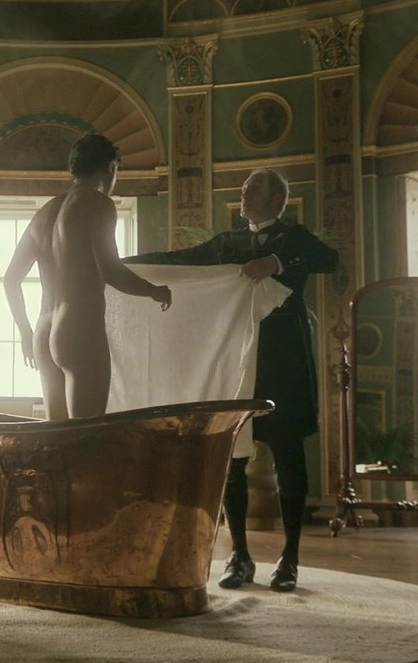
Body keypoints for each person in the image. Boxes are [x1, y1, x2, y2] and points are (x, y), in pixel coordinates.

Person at [124, 169, 338, 592]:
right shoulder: (227, 243)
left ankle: (290, 558)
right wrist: (124, 265)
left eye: (254, 187)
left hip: (285, 362)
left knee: (288, 454)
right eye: (244, 187)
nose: (244, 191)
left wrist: (275, 263)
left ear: (277, 200)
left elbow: (329, 260)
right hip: (235, 360)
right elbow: (181, 260)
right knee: (232, 457)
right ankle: (239, 555)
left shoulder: (296, 239)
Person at [4, 132, 172, 421]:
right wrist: (153, 291)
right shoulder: (98, 204)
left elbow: (10, 280)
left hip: (43, 331)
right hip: (77, 328)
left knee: (56, 437)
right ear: (111, 168)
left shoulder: (44, 213)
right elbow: (111, 270)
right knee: (85, 436)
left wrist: (25, 332)